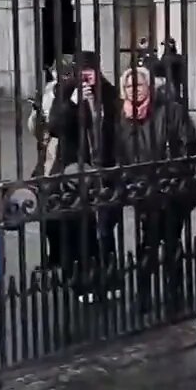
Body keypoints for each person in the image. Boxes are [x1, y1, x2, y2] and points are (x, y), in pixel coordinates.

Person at [115, 65, 196, 314]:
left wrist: (170, 174)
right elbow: (120, 153)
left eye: (139, 84)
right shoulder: (123, 117)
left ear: (149, 86)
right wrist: (130, 181)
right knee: (148, 244)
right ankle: (143, 296)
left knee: (171, 242)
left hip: (170, 188)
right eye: (129, 86)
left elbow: (188, 144)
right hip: (143, 191)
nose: (134, 90)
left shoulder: (171, 110)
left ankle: (174, 296)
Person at [44, 50, 121, 303]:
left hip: (104, 169)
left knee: (105, 228)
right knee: (79, 227)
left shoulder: (109, 93)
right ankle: (81, 282)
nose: (87, 76)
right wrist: (74, 103)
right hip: (74, 170)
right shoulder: (65, 92)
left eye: (91, 71)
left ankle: (109, 277)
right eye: (82, 71)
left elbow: (118, 126)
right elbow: (54, 127)